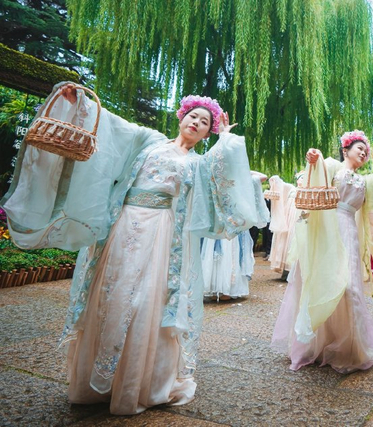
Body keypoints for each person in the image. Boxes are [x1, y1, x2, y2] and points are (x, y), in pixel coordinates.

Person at [1, 83, 269, 414]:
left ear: (207, 133)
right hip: (124, 223)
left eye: (205, 122)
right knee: (111, 292)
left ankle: (138, 383)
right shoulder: (150, 141)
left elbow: (223, 171)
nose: (197, 123)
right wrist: (81, 103)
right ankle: (97, 382)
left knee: (146, 299)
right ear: (181, 117)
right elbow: (114, 126)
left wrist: (226, 139)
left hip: (161, 232)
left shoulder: (198, 162)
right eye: (193, 116)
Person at [271, 130, 373, 373]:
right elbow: (315, 169)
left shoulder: (366, 180)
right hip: (328, 228)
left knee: (350, 287)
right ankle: (317, 342)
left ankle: (352, 346)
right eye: (359, 148)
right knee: (325, 282)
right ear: (345, 150)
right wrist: (313, 157)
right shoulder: (334, 166)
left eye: (365, 150)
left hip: (349, 231)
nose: (363, 152)